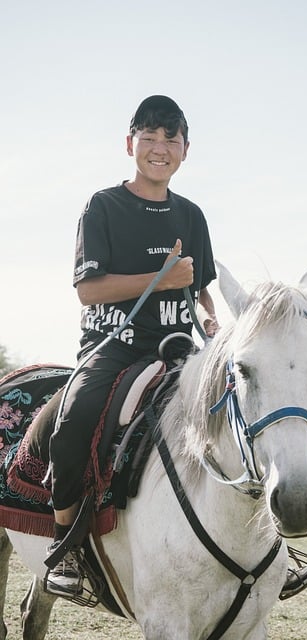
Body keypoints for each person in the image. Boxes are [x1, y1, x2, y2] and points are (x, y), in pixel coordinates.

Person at [46, 95, 218, 596]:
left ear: (186, 150)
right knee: (71, 425)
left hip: (181, 346)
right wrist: (161, 279)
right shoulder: (103, 206)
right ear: (130, 144)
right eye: (149, 137)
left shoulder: (192, 215)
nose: (160, 147)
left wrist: (210, 319)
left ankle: (262, 539)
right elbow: (88, 290)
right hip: (113, 346)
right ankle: (66, 548)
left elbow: (200, 287)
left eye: (171, 138)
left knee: (239, 410)